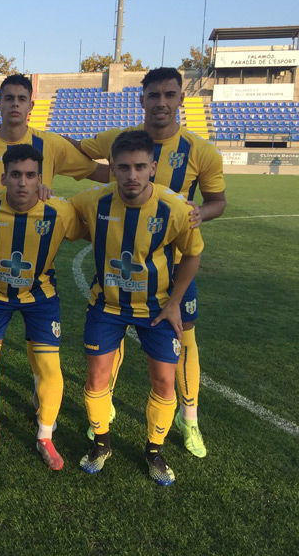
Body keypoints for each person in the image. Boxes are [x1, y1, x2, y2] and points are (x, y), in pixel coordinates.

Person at [75, 67, 226, 457]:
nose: (161, 102)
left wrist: (197, 214)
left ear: (180, 99)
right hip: (123, 255)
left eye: (169, 94)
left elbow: (217, 202)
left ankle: (188, 419)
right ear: (141, 99)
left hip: (173, 266)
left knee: (183, 339)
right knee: (115, 320)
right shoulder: (119, 140)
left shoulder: (200, 150)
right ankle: (103, 408)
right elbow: (78, 157)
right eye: (154, 94)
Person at [0, 74, 106, 426]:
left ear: (32, 105)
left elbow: (93, 170)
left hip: (35, 255)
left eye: (21, 98)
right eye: (8, 98)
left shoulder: (52, 144)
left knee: (38, 330)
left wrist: (140, 183)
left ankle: (38, 387)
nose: (15, 104)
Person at [70, 130, 203, 486]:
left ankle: (154, 452)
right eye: (124, 167)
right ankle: (101, 444)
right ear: (112, 167)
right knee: (97, 377)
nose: (132, 175)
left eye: (140, 167)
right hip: (107, 305)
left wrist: (175, 303)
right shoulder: (91, 201)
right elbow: (59, 217)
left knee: (164, 382)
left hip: (157, 309)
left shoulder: (175, 208)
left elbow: (193, 253)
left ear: (153, 168)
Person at [0, 145, 83, 468]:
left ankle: (45, 437)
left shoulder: (60, 211)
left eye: (31, 175)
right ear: (3, 177)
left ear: (40, 179)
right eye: (15, 175)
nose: (22, 182)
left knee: (49, 367)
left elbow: (99, 221)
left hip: (41, 298)